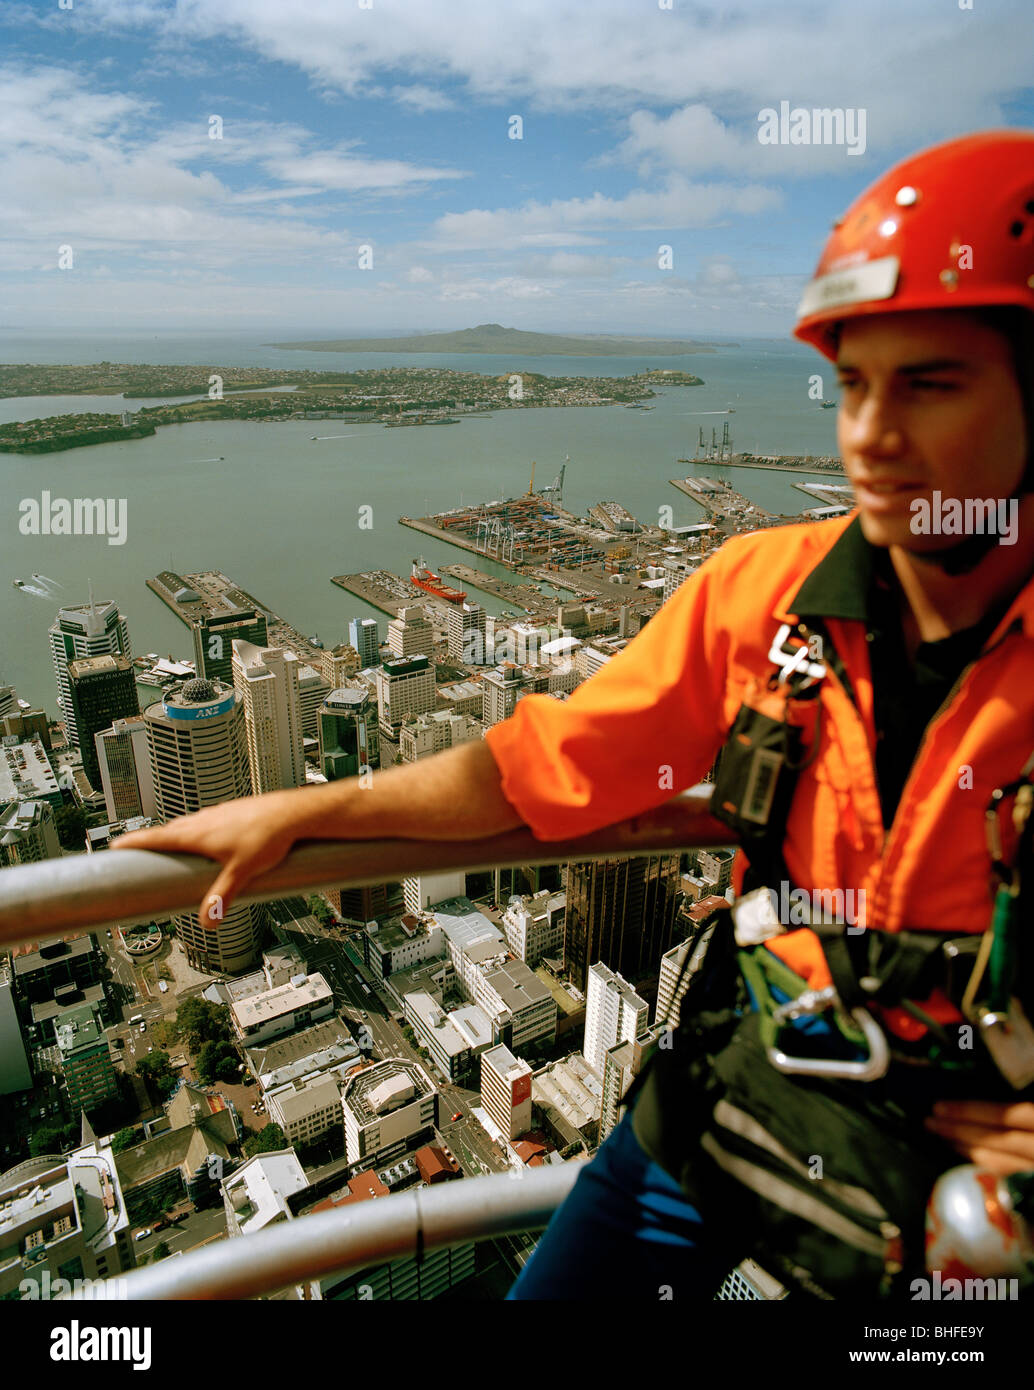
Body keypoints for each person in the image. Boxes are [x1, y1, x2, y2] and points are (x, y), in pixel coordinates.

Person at [114, 129, 1034, 1300]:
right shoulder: (759, 598)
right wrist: (311, 808)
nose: (867, 434)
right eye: (851, 383)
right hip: (733, 1090)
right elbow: (537, 767)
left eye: (930, 383)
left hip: (959, 1181)